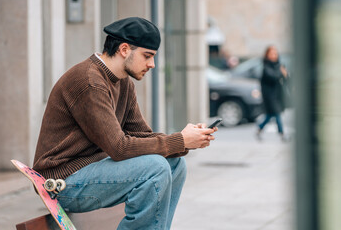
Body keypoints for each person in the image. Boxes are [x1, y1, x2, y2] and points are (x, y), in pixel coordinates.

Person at [33, 17, 217, 229]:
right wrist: (179, 140)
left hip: (90, 171)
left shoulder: (123, 82)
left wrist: (184, 141)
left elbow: (141, 136)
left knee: (174, 165)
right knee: (155, 168)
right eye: (147, 56)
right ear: (124, 49)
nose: (152, 64)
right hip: (62, 182)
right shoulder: (89, 81)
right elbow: (119, 148)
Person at [256, 45, 288, 141]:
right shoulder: (266, 67)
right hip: (269, 97)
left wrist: (284, 74)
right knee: (277, 114)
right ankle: (282, 134)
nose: (274, 56)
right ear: (267, 55)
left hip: (277, 95)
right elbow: (273, 77)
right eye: (271, 54)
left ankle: (259, 129)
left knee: (270, 116)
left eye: (275, 53)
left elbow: (285, 79)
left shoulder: (278, 65)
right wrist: (281, 72)